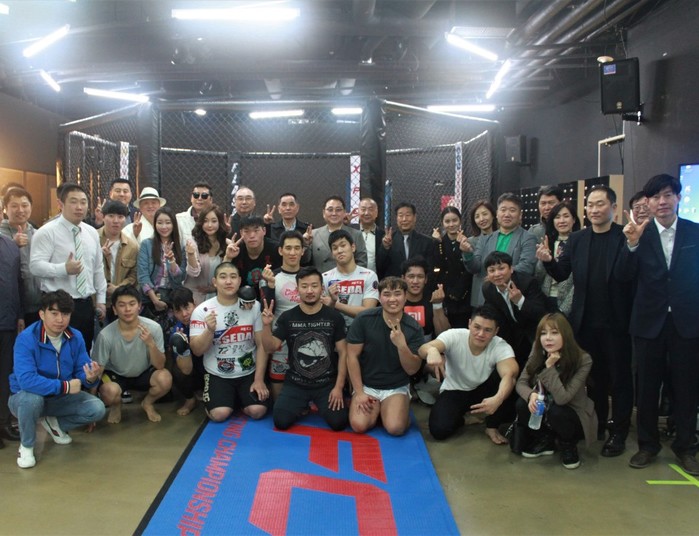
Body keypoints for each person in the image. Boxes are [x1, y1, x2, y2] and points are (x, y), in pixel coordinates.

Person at [538, 184, 633, 458]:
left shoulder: (623, 236)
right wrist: (548, 261)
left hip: (617, 323)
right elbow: (561, 273)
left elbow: (629, 275)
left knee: (620, 380)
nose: (594, 209)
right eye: (590, 205)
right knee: (594, 379)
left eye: (600, 204)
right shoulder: (578, 239)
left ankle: (619, 432)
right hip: (585, 324)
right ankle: (598, 425)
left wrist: (633, 245)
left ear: (613, 207)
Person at [616, 174, 699, 476]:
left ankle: (686, 447)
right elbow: (622, 276)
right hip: (648, 323)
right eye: (655, 197)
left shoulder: (694, 232)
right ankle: (647, 445)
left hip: (686, 323)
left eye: (667, 195)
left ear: (678, 198)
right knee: (647, 388)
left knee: (686, 388)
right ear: (648, 203)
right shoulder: (638, 234)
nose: (662, 202)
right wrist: (632, 244)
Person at [8, 291, 105, 468]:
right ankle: (27, 446)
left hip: (58, 398)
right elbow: (26, 381)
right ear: (42, 314)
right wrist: (65, 386)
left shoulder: (75, 336)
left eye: (65, 314)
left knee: (96, 408)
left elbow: (82, 370)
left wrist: (90, 378)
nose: (60, 320)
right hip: (25, 397)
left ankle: (54, 423)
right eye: (54, 313)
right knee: (32, 400)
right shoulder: (26, 338)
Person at [261, 267, 349, 431]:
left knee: (339, 422)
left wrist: (338, 388)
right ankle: (302, 405)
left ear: (321, 288)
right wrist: (266, 326)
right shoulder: (288, 317)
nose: (309, 291)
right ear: (297, 289)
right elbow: (270, 347)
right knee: (280, 421)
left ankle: (319, 404)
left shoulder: (334, 317)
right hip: (296, 383)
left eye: (314, 286)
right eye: (304, 286)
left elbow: (344, 353)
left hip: (326, 384)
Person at [419, 305, 518, 443]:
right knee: (439, 430)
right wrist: (432, 351)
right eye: (477, 327)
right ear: (469, 324)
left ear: (496, 331)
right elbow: (423, 349)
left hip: (484, 389)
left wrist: (498, 399)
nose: (481, 334)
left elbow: (510, 375)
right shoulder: (455, 335)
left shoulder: (500, 346)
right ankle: (463, 419)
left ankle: (492, 426)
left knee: (508, 384)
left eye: (487, 330)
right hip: (454, 389)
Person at [30, 183, 107, 353]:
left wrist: (101, 300)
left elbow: (98, 269)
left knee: (82, 352)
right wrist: (63, 269)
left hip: (84, 305)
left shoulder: (92, 233)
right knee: (55, 353)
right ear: (60, 204)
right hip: (56, 306)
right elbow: (35, 266)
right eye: (73, 202)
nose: (79, 207)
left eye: (83, 202)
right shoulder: (47, 232)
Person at [514, 313, 597, 469]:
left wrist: (550, 367)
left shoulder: (583, 359)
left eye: (554, 333)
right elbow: (521, 383)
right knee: (522, 404)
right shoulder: (537, 350)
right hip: (545, 406)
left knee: (557, 411)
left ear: (565, 335)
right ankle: (545, 440)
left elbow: (562, 398)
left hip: (572, 413)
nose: (548, 338)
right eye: (543, 333)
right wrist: (531, 395)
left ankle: (568, 444)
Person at [189, 262, 270, 422]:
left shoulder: (253, 306)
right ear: (214, 282)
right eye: (223, 277)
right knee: (219, 415)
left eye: (233, 277)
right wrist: (209, 330)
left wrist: (259, 379)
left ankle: (238, 398)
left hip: (248, 371)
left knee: (258, 411)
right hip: (217, 373)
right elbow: (197, 351)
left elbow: (262, 345)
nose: (228, 281)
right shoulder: (202, 310)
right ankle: (229, 399)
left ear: (239, 281)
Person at [346, 276, 424, 436]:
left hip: (396, 386)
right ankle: (381, 411)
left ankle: (395, 409)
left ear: (406, 297)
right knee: (358, 425)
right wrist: (359, 392)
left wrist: (401, 345)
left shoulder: (414, 328)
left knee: (395, 428)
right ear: (380, 297)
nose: (392, 299)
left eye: (397, 294)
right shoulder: (364, 319)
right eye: (387, 294)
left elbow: (412, 370)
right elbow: (352, 356)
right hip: (368, 385)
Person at [92, 285, 172, 423]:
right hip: (116, 375)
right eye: (122, 305)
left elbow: (160, 365)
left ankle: (147, 403)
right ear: (115, 309)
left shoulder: (153, 328)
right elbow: (98, 371)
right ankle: (116, 405)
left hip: (143, 372)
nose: (127, 309)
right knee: (108, 392)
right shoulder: (105, 335)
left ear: (139, 306)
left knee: (165, 378)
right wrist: (92, 405)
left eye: (132, 304)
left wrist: (150, 343)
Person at [463, 193, 537, 306]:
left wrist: (498, 276)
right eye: (503, 210)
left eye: (512, 210)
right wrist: (467, 254)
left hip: (512, 297)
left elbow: (526, 266)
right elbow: (476, 268)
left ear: (520, 215)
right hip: (485, 299)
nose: (507, 214)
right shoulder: (485, 239)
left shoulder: (528, 238)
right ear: (497, 214)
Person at [481, 251, 549, 368]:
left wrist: (520, 301)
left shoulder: (527, 283)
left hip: (535, 330)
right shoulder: (488, 288)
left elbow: (541, 313)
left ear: (511, 269)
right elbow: (495, 314)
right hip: (512, 334)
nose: (497, 274)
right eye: (492, 270)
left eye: (501, 268)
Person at [261, 231, 304, 398]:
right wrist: (270, 286)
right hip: (281, 340)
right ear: (280, 250)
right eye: (288, 248)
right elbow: (266, 311)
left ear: (303, 251)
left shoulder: (312, 277)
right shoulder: (270, 277)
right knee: (279, 398)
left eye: (297, 248)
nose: (292, 252)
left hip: (307, 337)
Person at [401, 256, 450, 405]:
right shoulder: (395, 300)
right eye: (411, 276)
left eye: (420, 277)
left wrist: (437, 306)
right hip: (401, 354)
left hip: (427, 353)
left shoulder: (433, 298)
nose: (415, 281)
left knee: (447, 366)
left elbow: (444, 335)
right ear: (403, 278)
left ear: (426, 279)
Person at [138, 206, 186, 335]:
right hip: (150, 298)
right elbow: (143, 275)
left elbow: (180, 278)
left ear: (173, 224)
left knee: (171, 337)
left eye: (168, 222)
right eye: (160, 222)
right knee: (149, 335)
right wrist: (154, 300)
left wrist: (172, 261)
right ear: (155, 224)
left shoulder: (180, 247)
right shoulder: (146, 245)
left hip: (172, 299)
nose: (164, 226)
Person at [321, 229, 379, 328]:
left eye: (343, 245)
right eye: (335, 248)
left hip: (362, 330)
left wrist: (334, 303)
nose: (339, 251)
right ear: (332, 253)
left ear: (353, 247)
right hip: (334, 330)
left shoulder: (369, 275)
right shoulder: (324, 277)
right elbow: (322, 310)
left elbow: (368, 312)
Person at [0, 187, 41, 325]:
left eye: (24, 205)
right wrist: (12, 245)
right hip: (10, 310)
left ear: (31, 207)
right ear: (5, 209)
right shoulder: (1, 235)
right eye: (14, 206)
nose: (20, 210)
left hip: (39, 305)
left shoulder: (39, 234)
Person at [534, 201, 580, 316]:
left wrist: (564, 309)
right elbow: (538, 276)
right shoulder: (547, 242)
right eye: (557, 217)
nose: (562, 221)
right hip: (546, 298)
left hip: (571, 301)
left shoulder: (580, 243)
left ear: (574, 220)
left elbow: (579, 280)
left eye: (566, 216)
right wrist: (543, 260)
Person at [432, 206, 473, 328]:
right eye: (447, 221)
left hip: (465, 295)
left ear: (460, 221)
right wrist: (437, 243)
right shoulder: (440, 243)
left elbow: (469, 269)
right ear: (442, 223)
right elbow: (437, 267)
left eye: (454, 220)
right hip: (446, 294)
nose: (451, 224)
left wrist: (459, 292)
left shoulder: (468, 241)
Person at [98, 200, 139, 320]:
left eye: (120, 217)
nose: (116, 221)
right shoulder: (92, 238)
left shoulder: (132, 246)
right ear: (103, 217)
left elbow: (133, 275)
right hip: (95, 301)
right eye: (111, 216)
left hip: (120, 303)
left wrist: (118, 288)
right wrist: (99, 255)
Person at [0, 231, 23, 445]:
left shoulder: (10, 246)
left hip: (7, 321)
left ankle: (4, 423)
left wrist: (20, 315)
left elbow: (18, 284)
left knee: (5, 374)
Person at [224, 215, 282, 297]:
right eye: (246, 231)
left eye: (256, 230)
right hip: (241, 297)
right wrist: (228, 257)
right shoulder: (236, 250)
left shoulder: (276, 249)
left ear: (264, 231)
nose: (252, 235)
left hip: (272, 296)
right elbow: (222, 277)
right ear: (241, 233)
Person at [306, 195, 367, 273]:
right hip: (320, 279)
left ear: (344, 212)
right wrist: (305, 245)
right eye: (330, 210)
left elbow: (362, 262)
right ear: (324, 213)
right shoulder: (313, 235)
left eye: (338, 210)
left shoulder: (356, 234)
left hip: (348, 279)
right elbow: (305, 262)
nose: (334, 213)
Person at [169, 287, 204, 416]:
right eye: (178, 310)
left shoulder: (207, 319)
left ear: (194, 303)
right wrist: (183, 346)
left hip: (213, 369)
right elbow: (185, 370)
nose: (184, 314)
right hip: (194, 371)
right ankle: (190, 399)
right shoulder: (177, 331)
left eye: (187, 307)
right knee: (177, 369)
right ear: (173, 312)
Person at [377, 202, 435, 278]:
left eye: (408, 215)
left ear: (414, 217)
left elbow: (430, 269)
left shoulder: (426, 242)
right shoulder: (387, 240)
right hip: (395, 283)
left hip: (416, 283)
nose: (404, 219)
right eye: (401, 216)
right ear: (396, 218)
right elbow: (380, 266)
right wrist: (385, 248)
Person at [184, 204, 227, 305]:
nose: (209, 225)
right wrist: (191, 255)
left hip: (219, 296)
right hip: (195, 298)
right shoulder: (193, 243)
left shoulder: (227, 244)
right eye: (205, 221)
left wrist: (215, 287)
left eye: (214, 221)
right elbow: (193, 272)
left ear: (220, 222)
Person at [354, 197, 385, 274]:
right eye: (363, 209)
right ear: (358, 212)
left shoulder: (383, 235)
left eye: (370, 209)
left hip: (376, 278)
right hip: (353, 278)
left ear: (376, 213)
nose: (366, 213)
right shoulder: (350, 232)